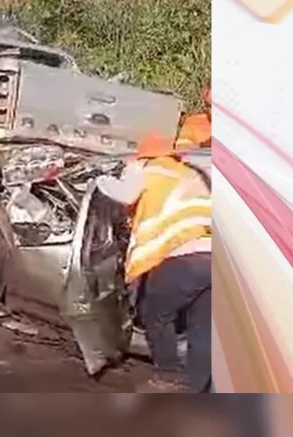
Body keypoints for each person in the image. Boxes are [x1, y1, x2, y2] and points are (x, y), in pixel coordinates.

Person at [95, 133, 211, 392]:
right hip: (215, 257)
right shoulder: (188, 173)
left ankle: (167, 377)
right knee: (201, 326)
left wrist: (100, 179)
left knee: (155, 313)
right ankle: (198, 389)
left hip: (182, 254)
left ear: (143, 155)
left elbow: (123, 195)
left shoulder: (147, 168)